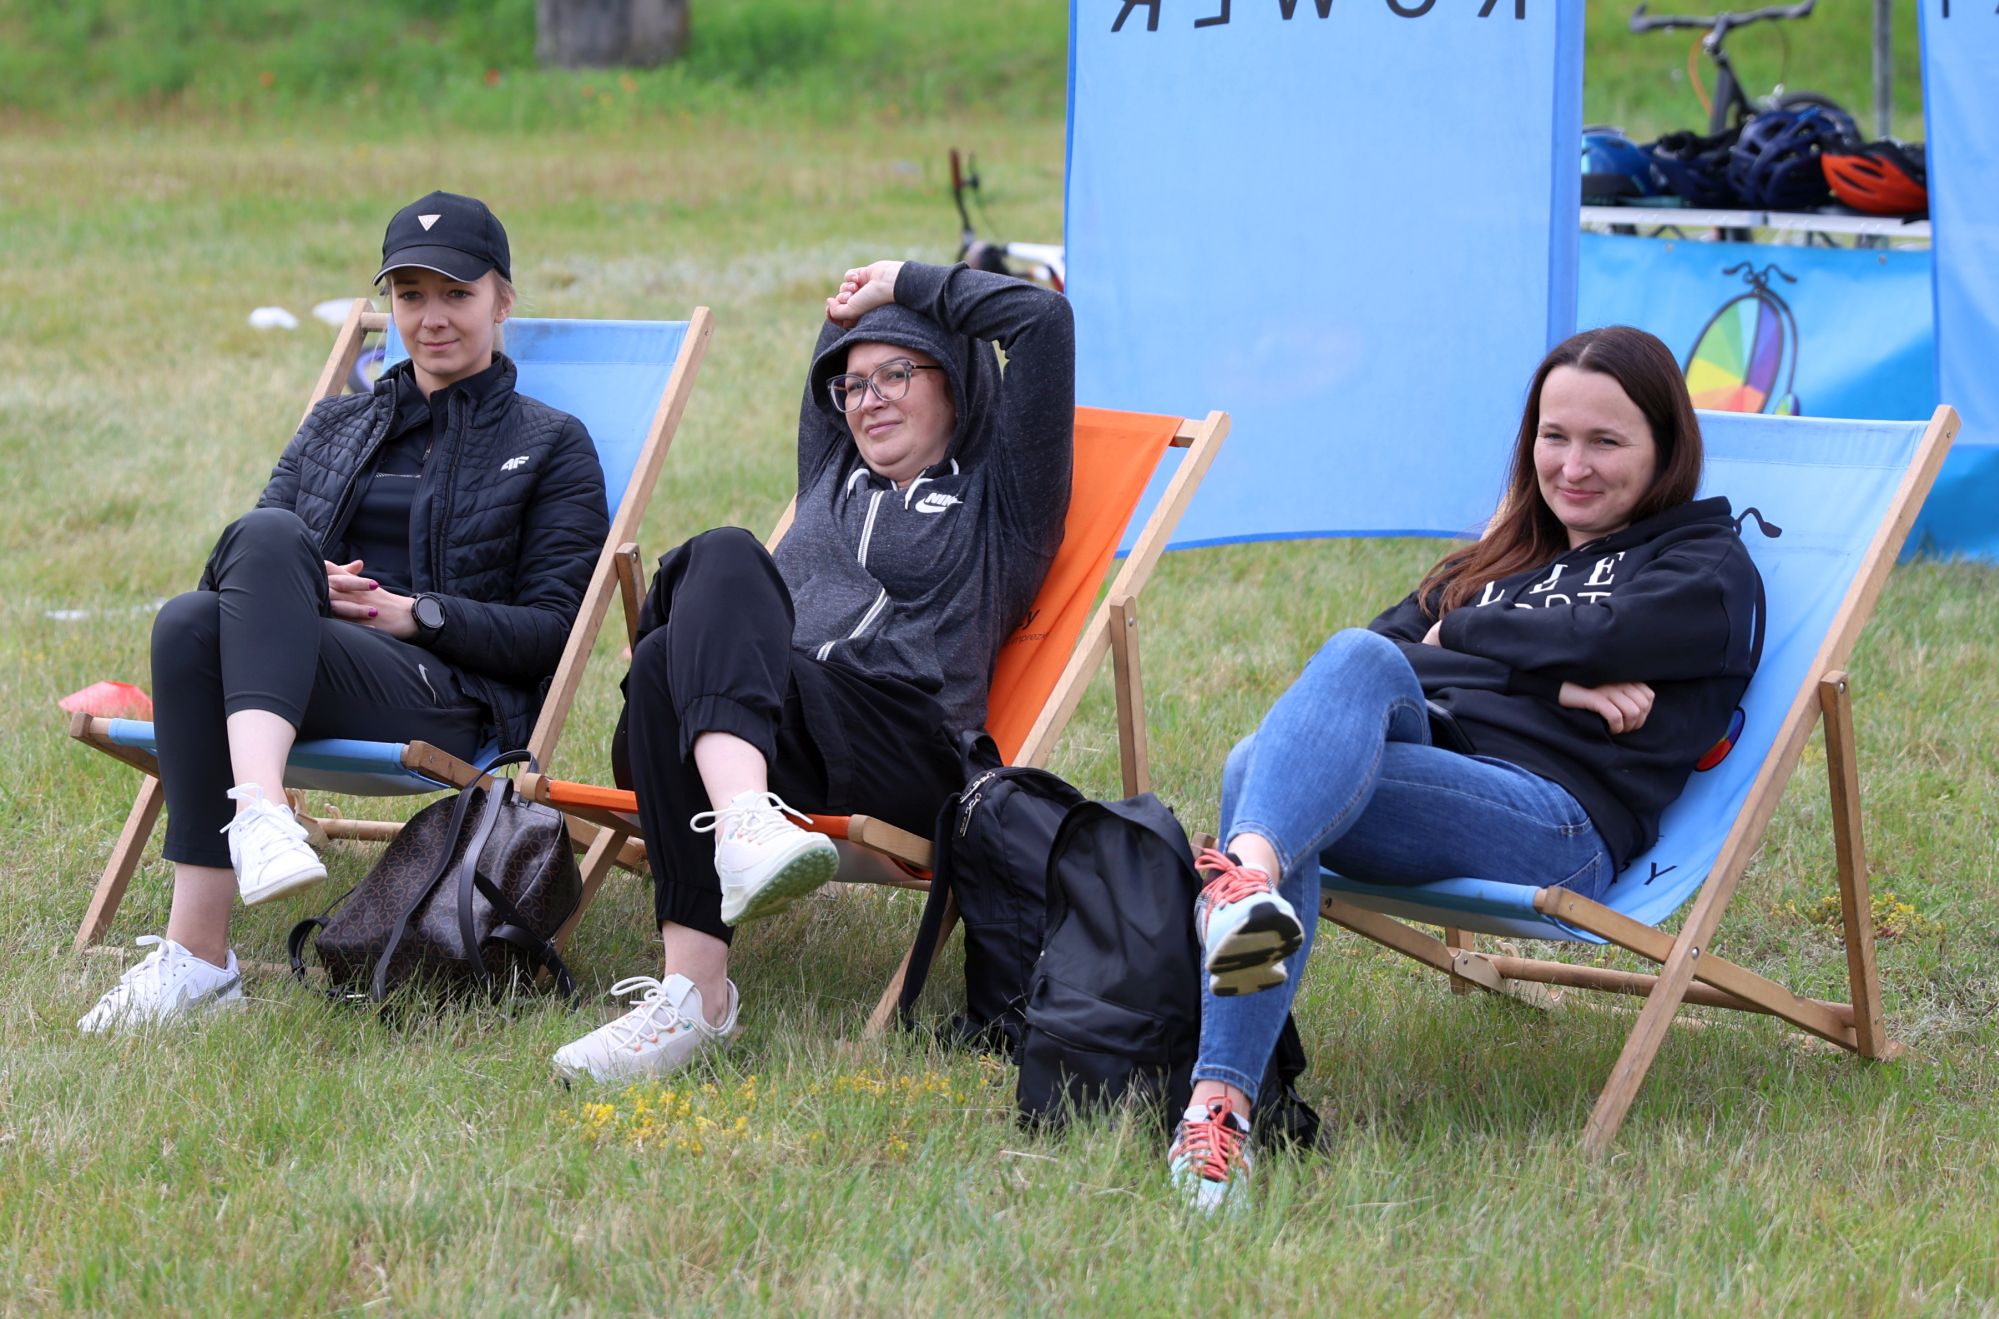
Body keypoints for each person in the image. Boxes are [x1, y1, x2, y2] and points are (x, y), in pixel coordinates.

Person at [1167, 326, 1763, 1210]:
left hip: (1557, 820)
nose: (1572, 466)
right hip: (1440, 767)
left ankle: (1221, 1064)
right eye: (1553, 436)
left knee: (1258, 768)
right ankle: (1231, 1014)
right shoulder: (1499, 554)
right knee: (1328, 689)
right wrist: (1549, 677)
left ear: (1665, 446)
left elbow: (1602, 635)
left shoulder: (1703, 567)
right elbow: (1373, 653)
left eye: (1605, 441)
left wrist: (1464, 634)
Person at [80, 192, 610, 1032]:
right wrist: (306, 583)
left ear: (503, 299)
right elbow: (233, 571)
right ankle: (208, 935)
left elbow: (551, 631)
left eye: (457, 294)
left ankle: (242, 847)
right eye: (410, 295)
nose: (431, 318)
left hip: (442, 689)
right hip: (302, 664)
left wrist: (417, 615)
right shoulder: (335, 424)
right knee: (197, 610)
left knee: (207, 612)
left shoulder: (551, 442)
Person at [552, 259, 1073, 1083]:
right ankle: (698, 988)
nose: (868, 400)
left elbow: (1042, 322)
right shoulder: (831, 472)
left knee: (679, 628)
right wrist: (853, 314)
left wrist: (897, 280)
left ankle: (735, 840)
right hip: (779, 734)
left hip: (903, 748)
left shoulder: (1002, 501)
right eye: (853, 386)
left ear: (959, 384)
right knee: (707, 580)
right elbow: (835, 332)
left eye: (896, 374)